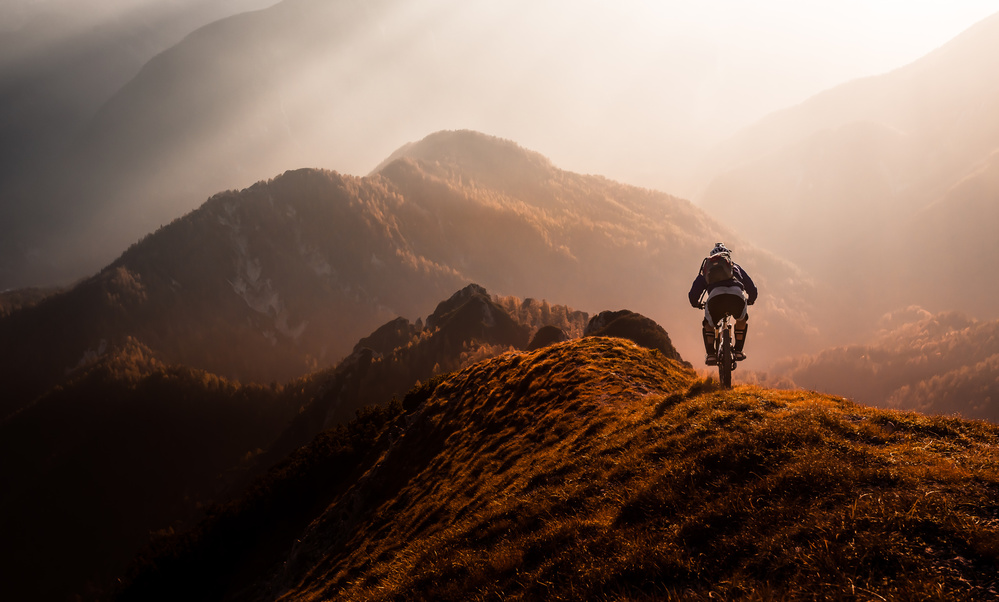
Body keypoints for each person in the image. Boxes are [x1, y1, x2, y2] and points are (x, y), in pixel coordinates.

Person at [688, 242, 758, 365]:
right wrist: (751, 299)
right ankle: (738, 351)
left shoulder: (707, 269)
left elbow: (694, 292)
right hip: (736, 296)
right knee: (742, 319)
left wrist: (696, 303)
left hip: (715, 298)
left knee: (708, 324)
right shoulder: (736, 267)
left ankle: (710, 354)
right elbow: (751, 287)